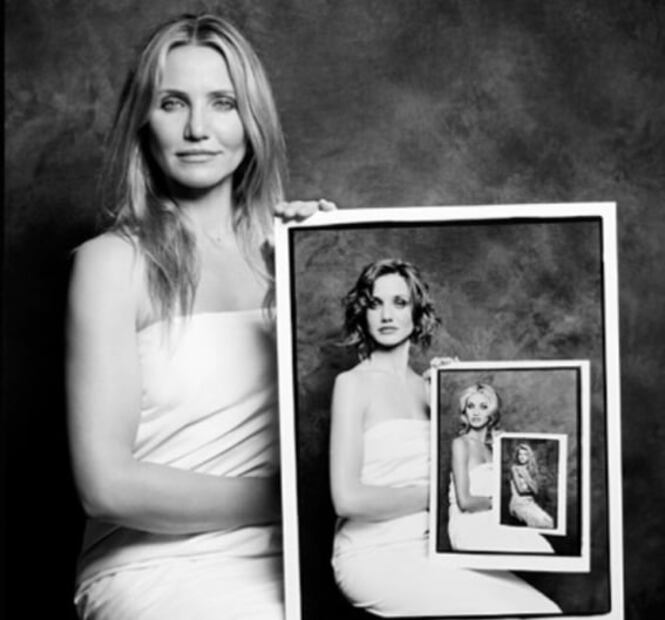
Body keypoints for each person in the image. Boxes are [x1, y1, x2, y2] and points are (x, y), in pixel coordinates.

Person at [66, 13, 333, 620]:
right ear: (143, 121)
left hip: (300, 558)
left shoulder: (295, 251)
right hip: (156, 567)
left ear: (252, 121)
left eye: (222, 103)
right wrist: (294, 499)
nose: (197, 129)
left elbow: (354, 423)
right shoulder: (111, 263)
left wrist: (332, 269)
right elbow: (105, 486)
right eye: (172, 103)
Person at [329, 259, 561, 617]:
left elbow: (473, 464)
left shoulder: (430, 387)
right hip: (373, 554)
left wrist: (453, 390)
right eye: (376, 303)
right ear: (364, 312)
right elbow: (347, 501)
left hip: (436, 547)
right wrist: (435, 495)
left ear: (416, 312)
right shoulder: (352, 384)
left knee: (545, 611)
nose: (387, 315)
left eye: (399, 303)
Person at [448, 384, 555, 553]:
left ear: (491, 413)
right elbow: (465, 502)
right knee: (534, 548)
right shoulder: (461, 444)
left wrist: (503, 447)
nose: (475, 412)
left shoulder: (495, 448)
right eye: (471, 406)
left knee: (542, 546)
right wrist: (498, 503)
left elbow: (514, 490)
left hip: (493, 519)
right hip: (470, 524)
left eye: (483, 407)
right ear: (465, 411)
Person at [509, 443, 555, 528]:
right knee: (540, 523)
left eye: (525, 454)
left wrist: (526, 475)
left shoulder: (531, 470)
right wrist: (530, 483)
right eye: (520, 454)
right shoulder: (514, 468)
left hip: (530, 503)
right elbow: (521, 490)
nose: (522, 457)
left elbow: (536, 491)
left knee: (549, 521)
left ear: (529, 456)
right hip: (518, 504)